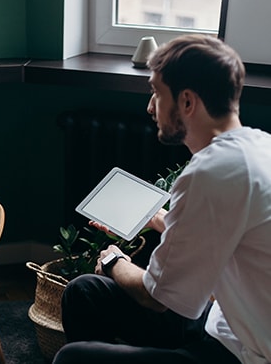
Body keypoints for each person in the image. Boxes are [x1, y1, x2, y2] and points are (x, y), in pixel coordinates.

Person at [53, 34, 271, 364]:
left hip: (244, 354)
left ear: (186, 102)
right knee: (85, 291)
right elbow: (222, 231)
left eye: (156, 93)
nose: (150, 107)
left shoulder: (210, 172)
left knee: (72, 358)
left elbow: (157, 297)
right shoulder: (258, 147)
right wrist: (156, 219)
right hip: (222, 324)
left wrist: (114, 262)